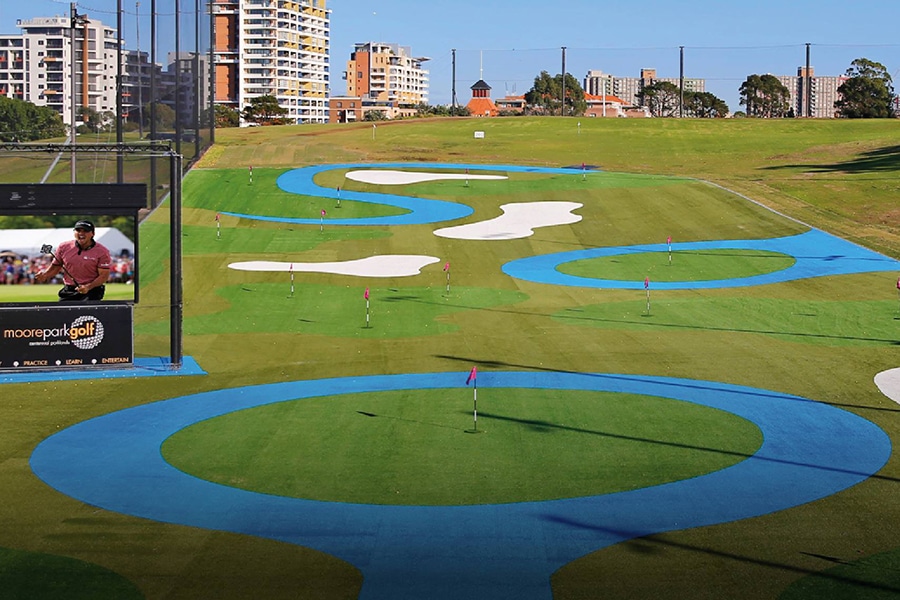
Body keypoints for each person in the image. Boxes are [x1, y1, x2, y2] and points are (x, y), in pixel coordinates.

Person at [35, 220, 111, 302]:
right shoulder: (64, 247)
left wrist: (88, 287)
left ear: (93, 233)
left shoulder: (102, 251)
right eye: (78, 230)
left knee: (86, 313)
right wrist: (45, 275)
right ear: (74, 232)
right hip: (69, 289)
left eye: (85, 231)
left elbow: (104, 276)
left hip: (92, 290)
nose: (81, 233)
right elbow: (56, 266)